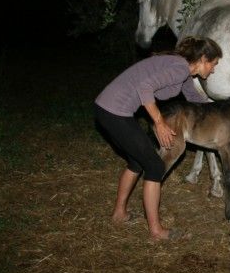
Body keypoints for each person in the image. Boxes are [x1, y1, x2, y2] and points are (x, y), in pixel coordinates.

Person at [94, 36, 222, 240]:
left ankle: (119, 214)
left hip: (108, 109)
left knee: (137, 161)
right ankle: (156, 231)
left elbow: (198, 102)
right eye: (213, 64)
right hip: (115, 111)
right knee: (154, 166)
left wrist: (229, 118)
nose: (213, 69)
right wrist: (160, 123)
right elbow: (145, 88)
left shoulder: (185, 75)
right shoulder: (179, 67)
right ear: (203, 58)